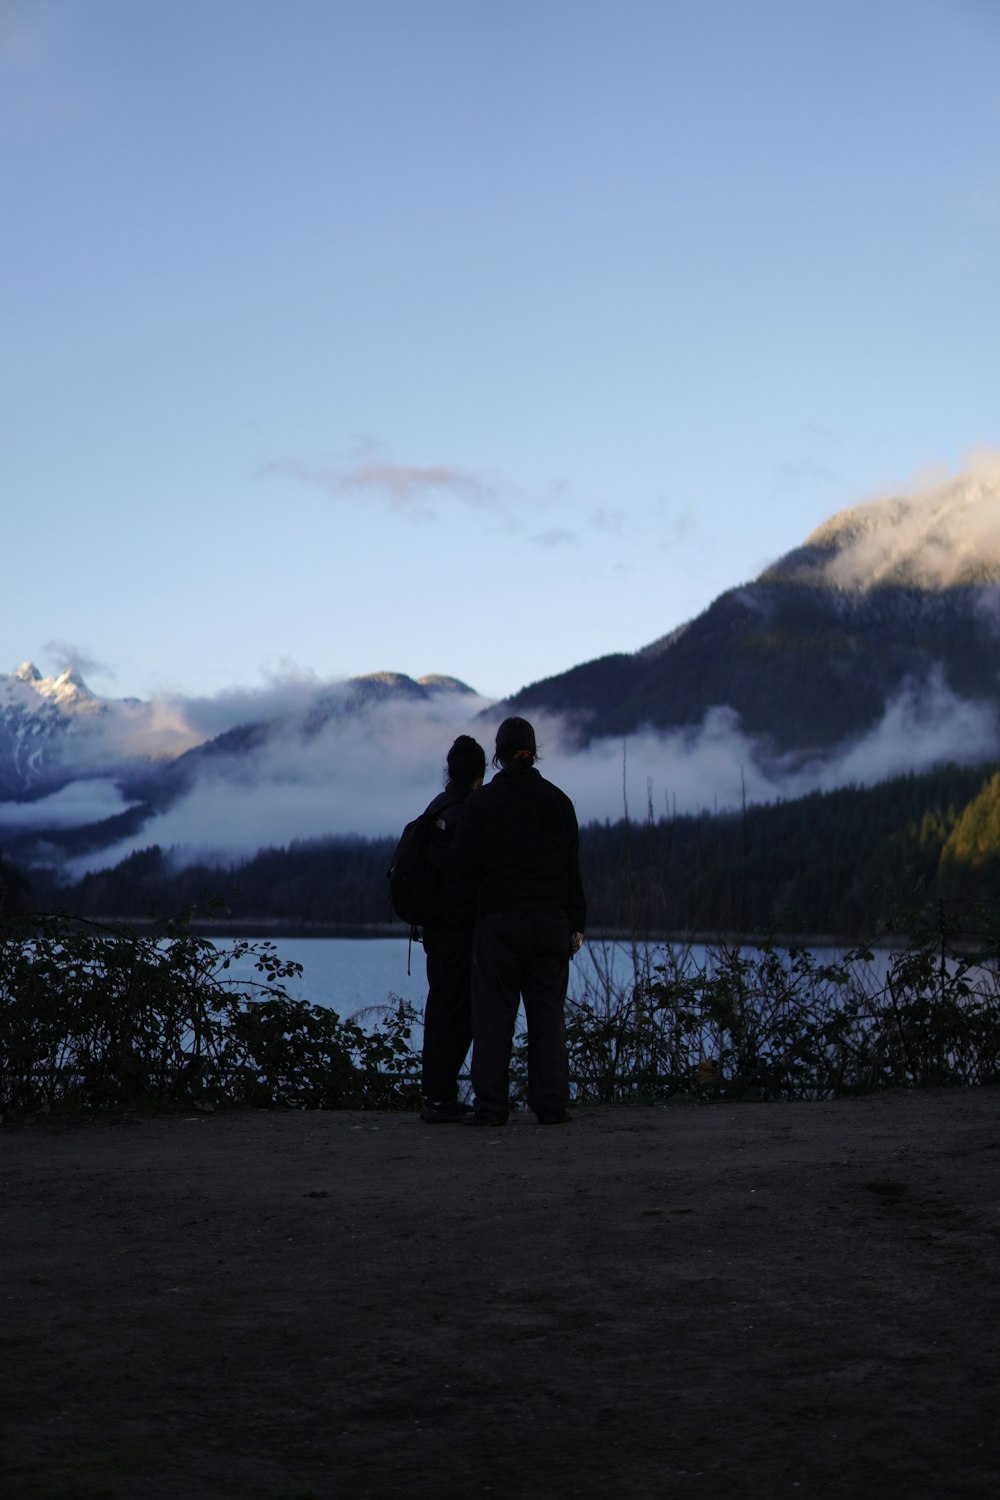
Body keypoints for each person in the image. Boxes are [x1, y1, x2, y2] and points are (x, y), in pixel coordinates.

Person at [448, 716, 586, 1126]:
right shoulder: (559, 802)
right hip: (550, 923)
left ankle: (491, 1107)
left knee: (494, 1017)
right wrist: (576, 923)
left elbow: (461, 869)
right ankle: (552, 1105)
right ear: (533, 750)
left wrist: (464, 919)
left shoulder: (483, 803)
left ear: (498, 755)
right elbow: (571, 871)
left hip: (498, 924)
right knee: (547, 1016)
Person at [418, 734, 486, 1123]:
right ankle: (442, 1097)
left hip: (434, 928)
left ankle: (436, 1095)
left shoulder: (436, 808)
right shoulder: (469, 813)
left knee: (440, 1006)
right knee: (459, 1013)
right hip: (459, 928)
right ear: (480, 773)